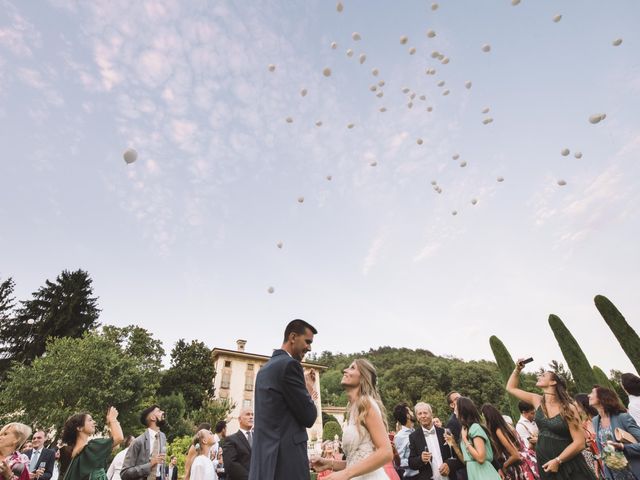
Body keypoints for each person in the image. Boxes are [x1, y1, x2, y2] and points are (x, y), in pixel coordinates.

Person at [249, 319, 319, 480]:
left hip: (266, 463)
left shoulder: (265, 369)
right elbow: (308, 417)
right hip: (287, 463)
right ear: (293, 337)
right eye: (307, 341)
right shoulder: (290, 366)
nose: (310, 347)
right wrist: (309, 389)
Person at [506, 360, 596, 479]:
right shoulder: (536, 400)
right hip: (546, 464)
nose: (539, 376)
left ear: (553, 382)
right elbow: (510, 388)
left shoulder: (568, 408)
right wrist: (517, 369)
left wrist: (558, 460)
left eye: (543, 375)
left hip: (569, 465)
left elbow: (579, 443)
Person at [312, 359, 393, 479]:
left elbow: (386, 452)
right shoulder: (352, 408)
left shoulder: (366, 404)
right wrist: (329, 464)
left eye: (352, 368)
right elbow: (356, 462)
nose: (345, 370)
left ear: (363, 377)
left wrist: (345, 474)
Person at [589, 385, 640, 480]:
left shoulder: (623, 418)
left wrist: (623, 447)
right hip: (615, 476)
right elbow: (603, 453)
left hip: (634, 472)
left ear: (602, 397)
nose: (588, 395)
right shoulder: (595, 421)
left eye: (592, 393)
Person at [60, 407, 123, 480]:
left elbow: (115, 446)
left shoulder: (75, 452)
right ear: (79, 428)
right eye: (90, 420)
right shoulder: (91, 448)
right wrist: (113, 419)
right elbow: (119, 438)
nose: (94, 422)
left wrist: (109, 425)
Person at [445, 397, 500, 480]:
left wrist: (465, 440)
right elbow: (466, 461)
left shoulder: (475, 428)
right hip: (473, 474)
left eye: (456, 407)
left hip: (484, 474)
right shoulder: (464, 429)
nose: (454, 411)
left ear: (463, 410)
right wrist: (454, 444)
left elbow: (481, 458)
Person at [480, 404, 538, 480]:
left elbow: (515, 455)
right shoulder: (507, 426)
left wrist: (504, 466)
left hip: (522, 466)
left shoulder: (499, 431)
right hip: (530, 460)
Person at [407, 402, 454, 480]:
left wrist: (449, 465)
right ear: (417, 417)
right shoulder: (413, 437)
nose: (423, 416)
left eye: (425, 413)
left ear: (431, 414)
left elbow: (455, 456)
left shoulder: (444, 432)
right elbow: (411, 463)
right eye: (419, 414)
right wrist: (421, 459)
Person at [121, 405, 167, 480]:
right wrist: (150, 464)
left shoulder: (163, 437)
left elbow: (161, 464)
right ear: (152, 418)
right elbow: (124, 473)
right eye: (159, 411)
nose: (163, 412)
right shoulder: (138, 442)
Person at [574, 394, 602, 479]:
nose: (574, 405)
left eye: (576, 403)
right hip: (598, 461)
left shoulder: (601, 418)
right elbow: (586, 443)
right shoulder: (584, 424)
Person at [223, 408, 254, 480]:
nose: (251, 417)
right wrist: (250, 477)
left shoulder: (258, 439)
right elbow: (230, 465)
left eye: (252, 414)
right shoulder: (230, 439)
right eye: (247, 414)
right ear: (239, 419)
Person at [445, 391, 467, 480]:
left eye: (461, 397)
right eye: (457, 399)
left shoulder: (468, 417)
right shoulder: (452, 423)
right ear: (452, 405)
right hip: (465, 464)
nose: (460, 399)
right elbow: (457, 446)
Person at [392, 403, 418, 479]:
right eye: (410, 411)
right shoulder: (399, 437)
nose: (413, 413)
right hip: (412, 477)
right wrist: (415, 461)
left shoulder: (415, 432)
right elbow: (398, 462)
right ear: (407, 415)